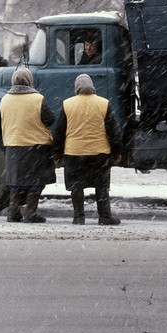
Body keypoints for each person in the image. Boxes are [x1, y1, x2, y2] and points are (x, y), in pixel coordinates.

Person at [53, 74, 122, 225]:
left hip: (74, 153)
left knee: (76, 186)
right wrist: (117, 152)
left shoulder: (67, 104)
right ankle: (104, 216)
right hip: (99, 153)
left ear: (76, 88)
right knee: (101, 186)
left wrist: (57, 153)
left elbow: (59, 131)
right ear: (92, 87)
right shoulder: (103, 103)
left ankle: (79, 217)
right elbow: (113, 131)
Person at [0, 68, 56, 223]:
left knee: (16, 181)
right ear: (30, 80)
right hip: (35, 145)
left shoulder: (5, 99)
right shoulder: (37, 98)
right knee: (36, 181)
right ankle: (30, 212)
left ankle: (13, 212)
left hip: (13, 144)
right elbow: (50, 118)